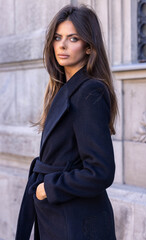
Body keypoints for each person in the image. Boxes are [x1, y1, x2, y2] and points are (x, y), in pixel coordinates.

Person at [15, 4, 118, 240]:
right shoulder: (65, 88)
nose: (62, 45)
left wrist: (48, 189)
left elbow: (100, 171)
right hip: (59, 216)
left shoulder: (89, 91)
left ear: (90, 47)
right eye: (58, 37)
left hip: (76, 220)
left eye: (73, 38)